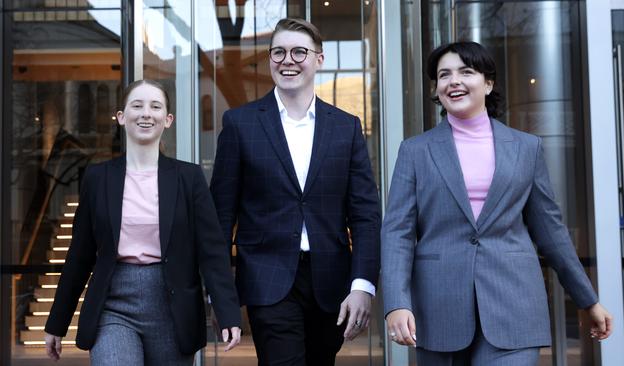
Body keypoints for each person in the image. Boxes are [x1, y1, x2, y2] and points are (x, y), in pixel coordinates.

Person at [381, 41, 613, 365]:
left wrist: (588, 300)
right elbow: (397, 233)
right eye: (444, 75)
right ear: (437, 88)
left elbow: (551, 231)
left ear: (488, 83)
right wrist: (396, 303)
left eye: (466, 72)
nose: (454, 81)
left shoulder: (526, 148)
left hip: (514, 305)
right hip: (438, 308)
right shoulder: (415, 151)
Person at [210, 17, 381, 366]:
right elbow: (220, 216)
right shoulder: (240, 124)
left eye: (299, 52)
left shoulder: (346, 128)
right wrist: (220, 295)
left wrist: (362, 286)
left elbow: (365, 215)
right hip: (267, 279)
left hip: (330, 283)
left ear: (319, 59)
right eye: (279, 52)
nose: (287, 60)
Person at [44, 79, 241, 365]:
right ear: (121, 117)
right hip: (113, 305)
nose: (146, 113)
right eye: (136, 106)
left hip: (173, 306)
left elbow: (211, 252)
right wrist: (56, 322)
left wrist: (227, 312)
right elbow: (80, 255)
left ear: (168, 119)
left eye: (155, 106)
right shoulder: (98, 178)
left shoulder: (189, 178)